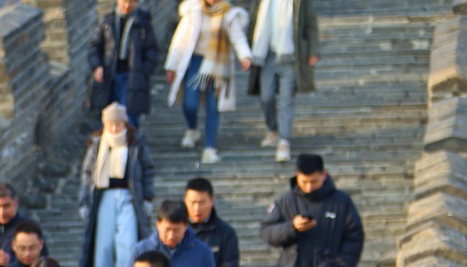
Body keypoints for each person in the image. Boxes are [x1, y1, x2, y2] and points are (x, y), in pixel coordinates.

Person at [79, 102, 156, 267]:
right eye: (110, 124)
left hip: (129, 195)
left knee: (127, 243)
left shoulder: (136, 144)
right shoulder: (97, 144)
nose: (114, 129)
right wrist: (83, 202)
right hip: (104, 195)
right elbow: (87, 175)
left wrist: (148, 197)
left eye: (118, 124)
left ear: (125, 124)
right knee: (103, 245)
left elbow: (148, 170)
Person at [164, 0, 252, 164]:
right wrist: (171, 66)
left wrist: (245, 56)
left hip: (219, 64)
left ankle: (209, 147)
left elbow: (238, 38)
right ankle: (192, 129)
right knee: (189, 103)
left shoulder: (228, 14)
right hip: (196, 62)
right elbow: (180, 41)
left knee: (214, 106)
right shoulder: (193, 11)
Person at [260, 154, 365, 267]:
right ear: (296, 175)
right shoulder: (286, 200)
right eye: (304, 182)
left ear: (324, 175)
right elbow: (267, 231)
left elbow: (354, 237)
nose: (309, 187)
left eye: (314, 181)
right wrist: (292, 227)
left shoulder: (341, 202)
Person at [250, 0, 320, 163]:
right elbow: (253, 24)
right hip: (266, 54)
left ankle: (284, 141)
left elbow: (311, 24)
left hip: (290, 56)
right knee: (266, 97)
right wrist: (246, 53)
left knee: (286, 100)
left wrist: (313, 50)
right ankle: (272, 130)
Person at [88, 0, 161, 124]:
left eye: (132, 2)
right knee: (109, 116)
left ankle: (131, 142)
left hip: (133, 76)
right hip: (110, 74)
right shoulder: (108, 22)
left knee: (129, 116)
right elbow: (95, 47)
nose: (127, 5)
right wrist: (97, 66)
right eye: (125, 1)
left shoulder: (143, 23)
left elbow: (152, 51)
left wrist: (143, 72)